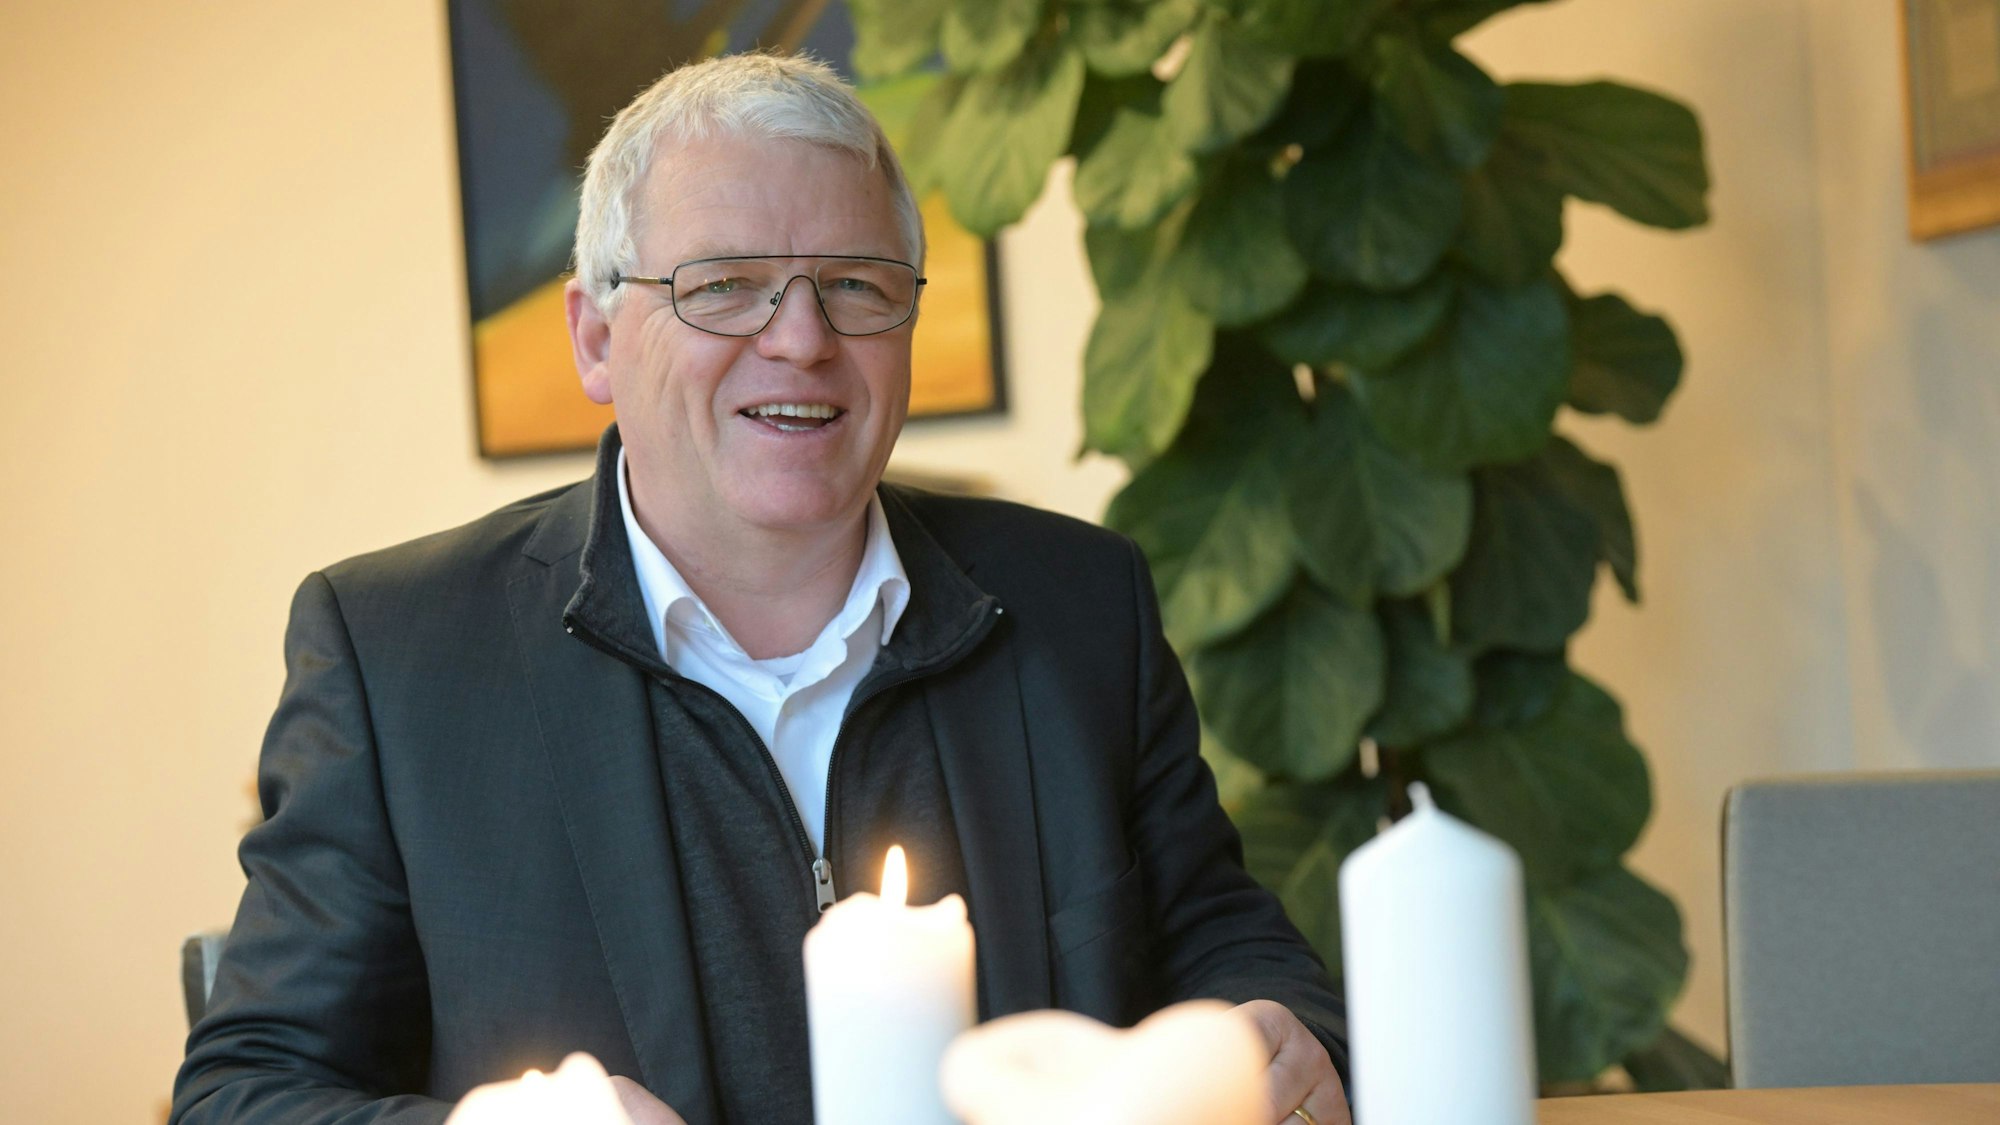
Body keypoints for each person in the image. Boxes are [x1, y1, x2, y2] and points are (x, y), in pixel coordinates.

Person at [172, 52, 1350, 1125]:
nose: (801, 339)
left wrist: (1277, 1033)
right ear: (593, 337)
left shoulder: (1081, 604)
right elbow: (242, 1096)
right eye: (724, 285)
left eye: (855, 284)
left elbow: (1230, 948)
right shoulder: (398, 656)